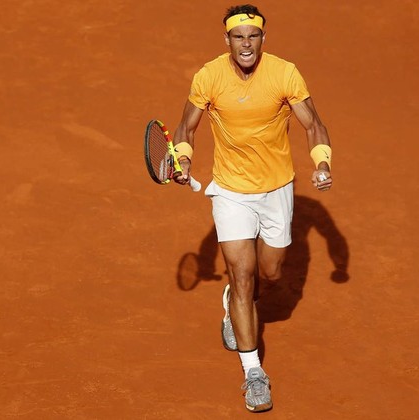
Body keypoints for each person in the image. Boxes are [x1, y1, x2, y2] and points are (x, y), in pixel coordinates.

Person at [172, 4, 333, 413]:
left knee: (270, 274)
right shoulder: (209, 76)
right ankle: (253, 372)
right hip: (231, 191)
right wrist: (184, 158)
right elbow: (186, 126)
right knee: (242, 277)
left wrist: (322, 163)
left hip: (277, 189)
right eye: (238, 37)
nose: (246, 44)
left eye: (253, 36)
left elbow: (313, 124)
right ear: (226, 40)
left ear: (263, 38)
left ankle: (233, 299)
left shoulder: (284, 73)